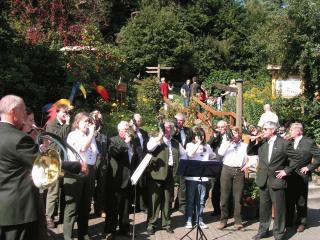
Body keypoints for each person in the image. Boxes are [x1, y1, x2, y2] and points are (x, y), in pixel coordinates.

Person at [0, 95, 39, 240]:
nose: (25, 114)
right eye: (23, 111)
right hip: (16, 212)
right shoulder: (19, 138)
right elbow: (43, 163)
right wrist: (76, 166)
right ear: (13, 111)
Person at [248, 121, 291, 240]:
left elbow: (294, 159)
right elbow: (250, 152)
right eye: (263, 129)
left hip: (277, 180)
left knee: (279, 208)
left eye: (265, 129)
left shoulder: (284, 143)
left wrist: (286, 171)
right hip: (263, 179)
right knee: (264, 207)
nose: (263, 131)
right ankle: (263, 231)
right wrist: (252, 141)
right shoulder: (262, 143)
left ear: (272, 130)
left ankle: (279, 234)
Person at [146, 119, 186, 235]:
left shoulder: (175, 142)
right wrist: (160, 136)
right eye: (166, 127)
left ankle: (166, 223)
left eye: (170, 127)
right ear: (162, 128)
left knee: (167, 200)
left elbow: (185, 155)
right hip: (156, 174)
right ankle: (151, 224)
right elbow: (149, 148)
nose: (168, 129)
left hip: (170, 173)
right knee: (154, 200)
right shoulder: (155, 139)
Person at [63, 112, 97, 240]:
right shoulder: (73, 135)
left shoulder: (90, 136)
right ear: (77, 122)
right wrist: (92, 133)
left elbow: (94, 154)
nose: (88, 124)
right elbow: (82, 148)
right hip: (75, 172)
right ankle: (67, 236)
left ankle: (83, 233)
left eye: (89, 122)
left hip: (89, 172)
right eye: (85, 122)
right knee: (72, 206)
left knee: (86, 205)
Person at [283, 123, 320, 232]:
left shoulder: (309, 142)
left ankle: (301, 222)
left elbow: (319, 156)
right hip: (289, 174)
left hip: (302, 175)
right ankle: (288, 221)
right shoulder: (289, 141)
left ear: (298, 131)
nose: (289, 132)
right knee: (289, 199)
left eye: (291, 130)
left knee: (301, 201)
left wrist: (309, 167)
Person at [104, 121, 137, 240]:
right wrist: (125, 142)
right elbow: (114, 153)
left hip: (128, 178)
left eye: (129, 128)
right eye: (126, 129)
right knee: (113, 207)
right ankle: (109, 231)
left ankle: (124, 229)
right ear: (120, 130)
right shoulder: (113, 140)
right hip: (116, 179)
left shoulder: (132, 142)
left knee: (125, 207)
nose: (128, 131)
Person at [217, 127, 249, 231]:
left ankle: (238, 221)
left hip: (239, 171)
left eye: (235, 133)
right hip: (226, 170)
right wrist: (228, 142)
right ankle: (223, 220)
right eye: (232, 133)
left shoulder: (245, 146)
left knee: (238, 197)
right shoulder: (226, 143)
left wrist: (247, 165)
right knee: (224, 196)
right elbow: (221, 153)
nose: (233, 135)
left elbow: (253, 157)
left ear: (239, 134)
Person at [45, 104, 71, 228]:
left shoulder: (67, 126)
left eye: (67, 112)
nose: (66, 115)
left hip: (64, 161)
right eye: (64, 112)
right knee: (53, 190)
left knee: (63, 189)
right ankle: (49, 217)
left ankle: (60, 215)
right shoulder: (51, 124)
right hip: (53, 160)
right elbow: (58, 137)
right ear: (57, 113)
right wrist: (66, 125)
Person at [185, 127, 216, 229]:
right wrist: (198, 143)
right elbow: (189, 155)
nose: (201, 137)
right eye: (198, 135)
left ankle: (199, 220)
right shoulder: (190, 145)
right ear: (194, 136)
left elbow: (212, 155)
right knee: (190, 199)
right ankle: (189, 220)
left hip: (203, 177)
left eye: (202, 135)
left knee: (201, 200)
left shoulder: (207, 146)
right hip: (192, 178)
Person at [208, 120, 231, 216]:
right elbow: (208, 145)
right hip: (216, 164)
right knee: (215, 188)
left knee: (226, 188)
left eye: (222, 127)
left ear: (226, 127)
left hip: (227, 163)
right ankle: (216, 210)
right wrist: (214, 136)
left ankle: (227, 210)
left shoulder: (230, 136)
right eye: (219, 127)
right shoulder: (215, 137)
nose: (221, 129)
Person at [173, 112, 193, 214]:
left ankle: (181, 205)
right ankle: (171, 204)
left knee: (183, 183)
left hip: (185, 160)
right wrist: (174, 130)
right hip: (174, 159)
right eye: (178, 120)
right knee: (172, 182)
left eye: (182, 120)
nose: (180, 122)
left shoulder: (188, 130)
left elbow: (192, 141)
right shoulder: (172, 130)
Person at [91, 110, 109, 218]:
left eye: (99, 117)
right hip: (92, 161)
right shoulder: (89, 129)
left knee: (102, 186)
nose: (98, 119)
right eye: (96, 117)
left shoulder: (104, 131)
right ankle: (87, 208)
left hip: (102, 161)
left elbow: (107, 145)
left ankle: (100, 208)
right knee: (90, 185)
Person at [131, 113, 149, 212]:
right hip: (134, 160)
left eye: (140, 120)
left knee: (143, 183)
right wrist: (132, 130)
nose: (139, 122)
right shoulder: (130, 131)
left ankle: (142, 205)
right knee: (134, 183)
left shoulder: (144, 132)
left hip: (143, 160)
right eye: (137, 120)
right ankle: (134, 205)